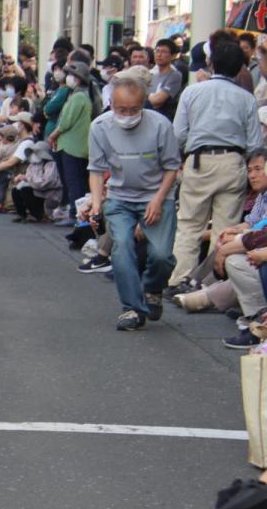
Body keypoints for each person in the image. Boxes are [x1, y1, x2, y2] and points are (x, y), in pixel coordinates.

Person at [82, 76, 181, 330]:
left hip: (157, 196)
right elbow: (95, 169)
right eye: (121, 110)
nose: (127, 115)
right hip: (120, 198)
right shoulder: (100, 127)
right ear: (111, 104)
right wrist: (95, 203)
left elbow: (172, 167)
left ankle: (152, 289)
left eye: (134, 110)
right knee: (122, 248)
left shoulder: (160, 125)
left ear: (144, 105)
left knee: (161, 256)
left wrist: (158, 200)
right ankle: (132, 309)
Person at [168, 38, 263, 292]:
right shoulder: (246, 98)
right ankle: (209, 283)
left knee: (189, 224)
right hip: (233, 162)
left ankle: (179, 279)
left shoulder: (192, 92)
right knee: (225, 226)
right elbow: (254, 142)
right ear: (240, 68)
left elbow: (178, 134)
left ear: (210, 63)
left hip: (199, 160)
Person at [48, 61, 93, 224]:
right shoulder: (81, 95)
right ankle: (78, 215)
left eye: (71, 75)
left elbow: (65, 122)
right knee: (78, 182)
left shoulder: (78, 96)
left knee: (74, 182)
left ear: (79, 78)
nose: (68, 77)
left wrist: (53, 135)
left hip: (71, 146)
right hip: (77, 146)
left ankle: (76, 214)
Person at [148, 39, 184, 119]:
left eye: (164, 52)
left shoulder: (175, 75)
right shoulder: (152, 75)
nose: (159, 55)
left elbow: (157, 101)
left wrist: (146, 96)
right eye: (157, 51)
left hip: (165, 118)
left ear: (173, 56)